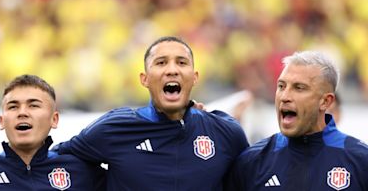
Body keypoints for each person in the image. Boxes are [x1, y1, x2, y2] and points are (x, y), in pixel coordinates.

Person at [55, 36, 249, 190]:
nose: (172, 70)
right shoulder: (114, 128)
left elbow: (252, 177)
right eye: (161, 63)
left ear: (195, 77)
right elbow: (53, 162)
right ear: (145, 79)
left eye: (181, 63)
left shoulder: (225, 132)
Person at [227, 51, 368, 190]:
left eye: (299, 88)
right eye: (281, 86)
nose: (285, 96)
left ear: (325, 101)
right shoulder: (252, 161)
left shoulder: (360, 161)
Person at [0, 74, 105, 190]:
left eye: (33, 105)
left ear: (54, 119)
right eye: (13, 106)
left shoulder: (81, 171)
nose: (22, 112)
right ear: (2, 121)